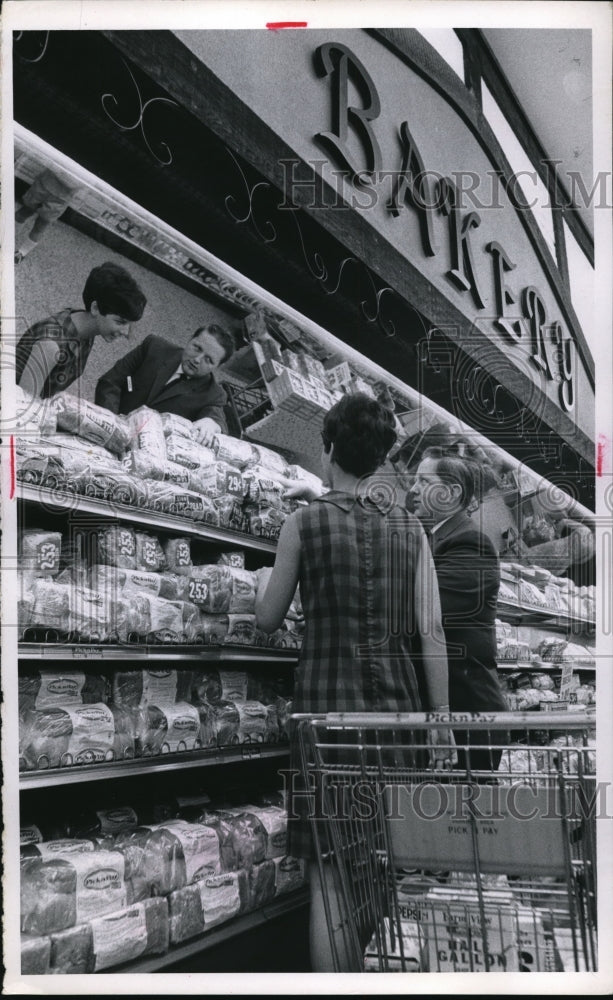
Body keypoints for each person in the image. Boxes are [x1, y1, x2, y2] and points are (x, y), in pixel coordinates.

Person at [254, 393, 455, 971]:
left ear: (327, 446)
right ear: (383, 457)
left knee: (331, 874)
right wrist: (439, 721)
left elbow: (267, 619)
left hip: (325, 720)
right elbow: (432, 631)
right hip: (397, 720)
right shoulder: (412, 529)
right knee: (382, 865)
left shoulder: (302, 522)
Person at [409, 447, 509, 771]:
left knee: (465, 817)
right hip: (452, 712)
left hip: (468, 713)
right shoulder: (434, 539)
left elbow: (426, 613)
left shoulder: (471, 544)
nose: (413, 490)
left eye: (423, 481)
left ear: (451, 493)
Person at [16, 261, 147, 399]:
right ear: (95, 308)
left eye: (130, 324)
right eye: (120, 322)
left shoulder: (86, 329)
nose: (126, 333)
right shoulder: (50, 346)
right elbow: (24, 405)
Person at [95, 324, 235, 446]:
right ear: (189, 339)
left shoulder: (213, 394)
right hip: (105, 423)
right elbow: (111, 381)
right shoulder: (154, 347)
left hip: (145, 452)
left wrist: (213, 423)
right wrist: (111, 423)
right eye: (197, 348)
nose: (197, 359)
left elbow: (215, 417)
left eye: (208, 360)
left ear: (217, 367)